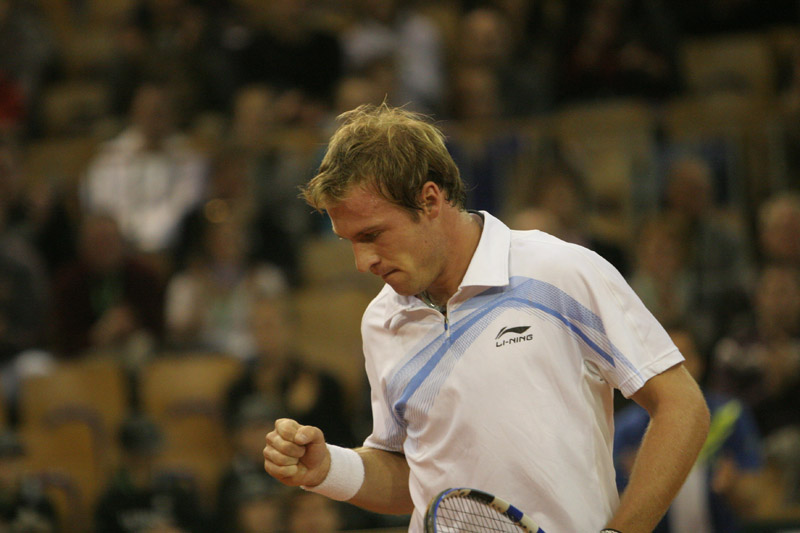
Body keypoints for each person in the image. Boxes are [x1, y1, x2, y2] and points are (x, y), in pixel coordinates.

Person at [262, 103, 710, 532]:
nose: (362, 263)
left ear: (429, 201)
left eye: (373, 234)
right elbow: (412, 476)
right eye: (350, 242)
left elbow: (682, 407)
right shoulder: (381, 320)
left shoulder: (561, 271)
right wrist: (328, 468)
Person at [614, 325, 764, 532]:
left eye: (682, 357)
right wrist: (639, 487)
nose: (674, 368)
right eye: (663, 359)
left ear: (699, 362)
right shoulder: (626, 428)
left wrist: (735, 486)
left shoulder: (731, 415)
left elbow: (759, 499)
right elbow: (612, 512)